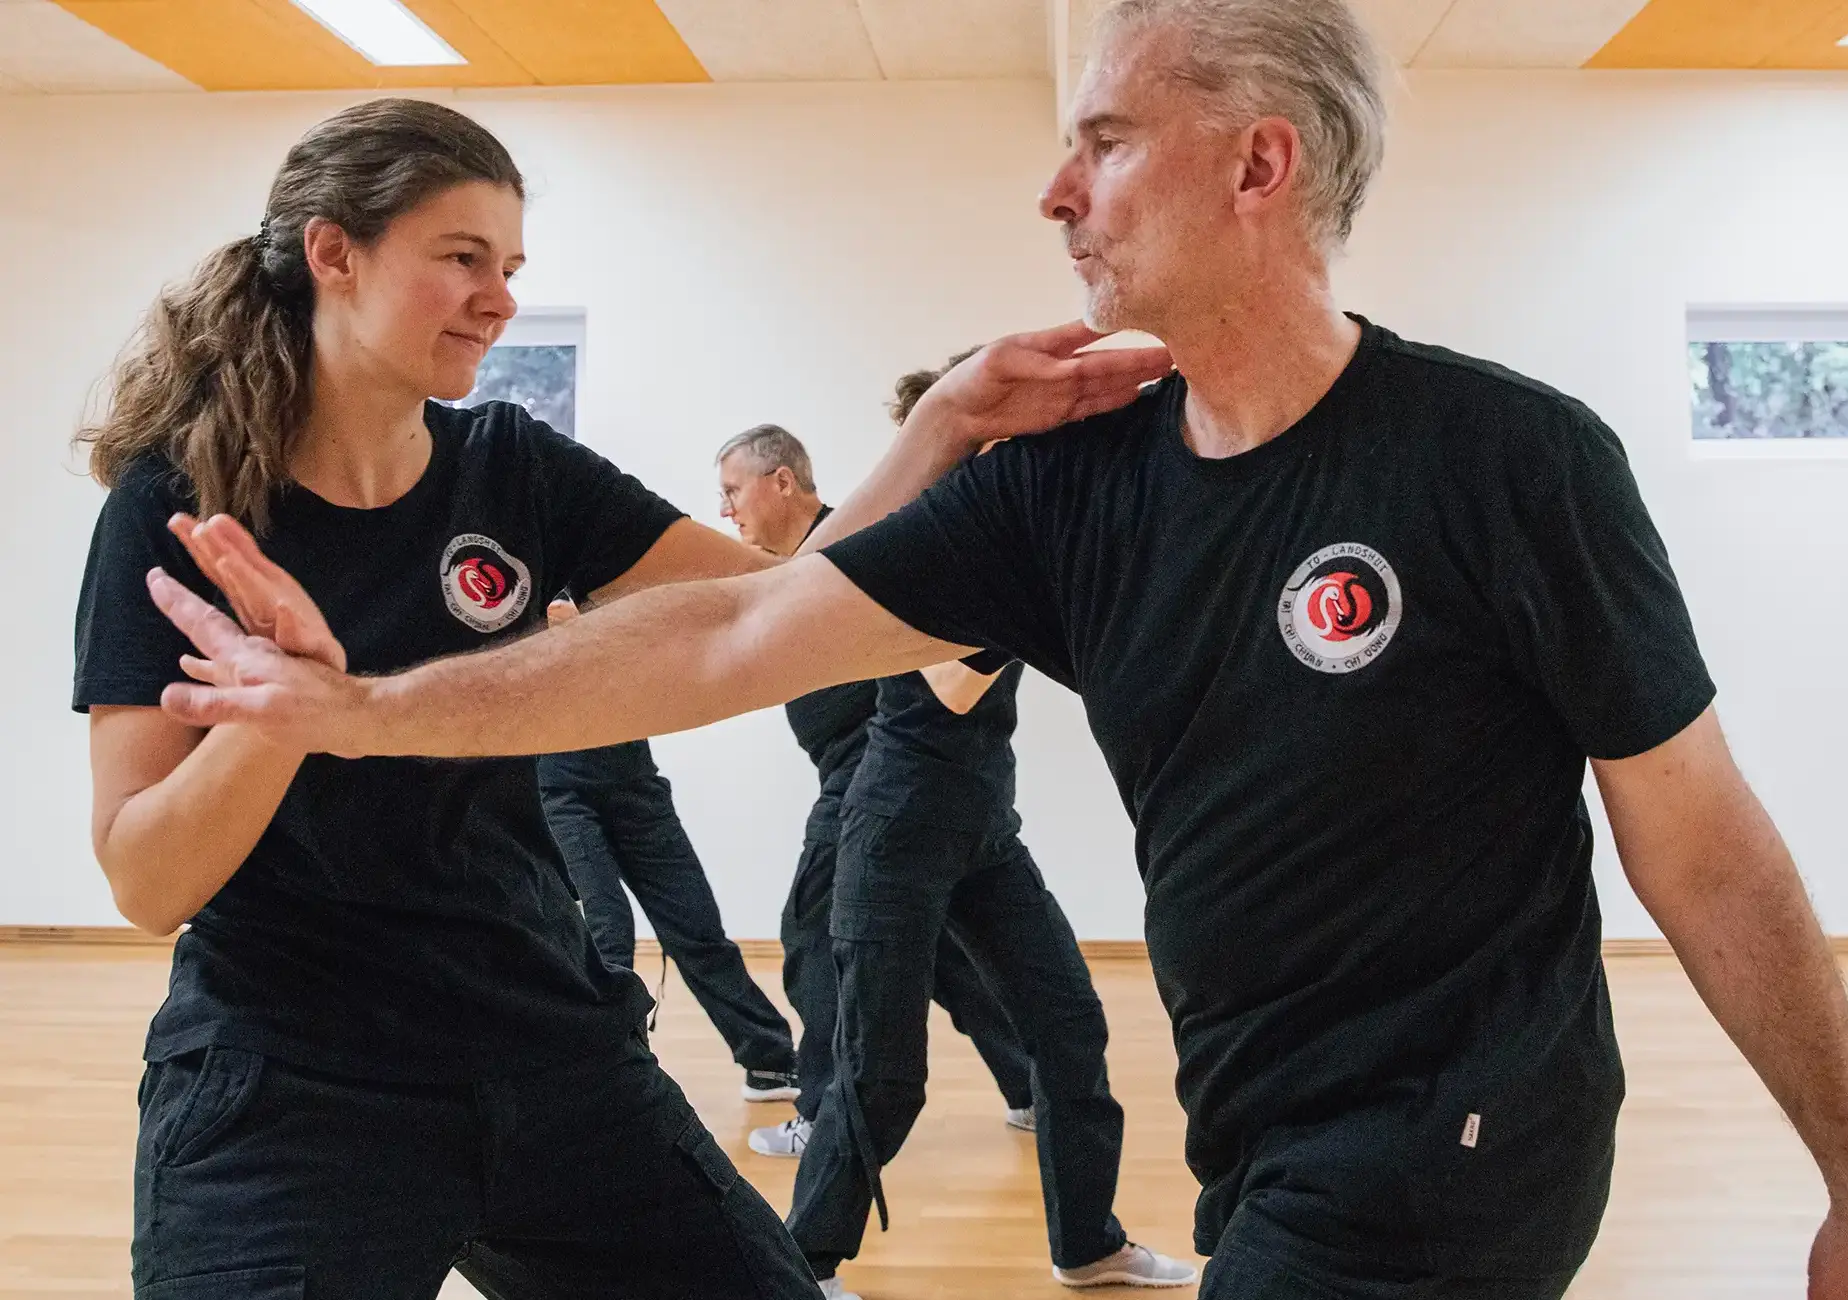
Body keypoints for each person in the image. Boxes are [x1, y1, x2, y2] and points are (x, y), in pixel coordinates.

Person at [137, 1, 1848, 1293]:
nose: (1054, 194)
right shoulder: (1067, 491)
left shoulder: (1508, 460)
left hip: (1468, 1139)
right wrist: (356, 710)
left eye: (1102, 141)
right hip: (1258, 1130)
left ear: (1260, 163)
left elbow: (1695, 833)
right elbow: (735, 634)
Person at [74, 97, 1166, 1298]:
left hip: (544, 1046)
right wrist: (287, 719)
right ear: (334, 254)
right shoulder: (179, 507)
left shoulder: (514, 467)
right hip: (294, 1077)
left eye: (510, 266)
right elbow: (147, 879)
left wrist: (946, 423)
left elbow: (783, 602)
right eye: (461, 258)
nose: (498, 297)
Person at [723, 415, 1194, 1297]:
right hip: (896, 832)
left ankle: (1086, 1244)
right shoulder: (942, 556)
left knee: (1068, 1031)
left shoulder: (993, 556)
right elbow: (944, 686)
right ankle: (799, 1270)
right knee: (882, 1076)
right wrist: (1038, 605)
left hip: (983, 834)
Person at [714, 424, 1038, 1160]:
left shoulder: (853, 548)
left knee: (811, 934)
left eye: (734, 491)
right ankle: (1029, 1087)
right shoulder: (800, 563)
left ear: (783, 482)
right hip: (863, 774)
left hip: (874, 773)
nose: (727, 509)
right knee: (941, 952)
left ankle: (824, 1114)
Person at [536, 597, 802, 1104]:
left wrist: (592, 625)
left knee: (698, 928)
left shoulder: (611, 582)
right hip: (560, 787)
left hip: (637, 786)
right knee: (606, 932)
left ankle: (770, 1063)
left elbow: (657, 644)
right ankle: (612, 1074)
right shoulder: (524, 577)